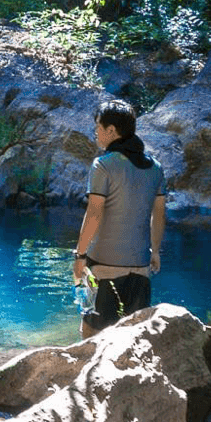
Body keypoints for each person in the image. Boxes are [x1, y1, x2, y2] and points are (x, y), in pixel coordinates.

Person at [73, 99, 166, 338]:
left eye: (98, 127)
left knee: (90, 335)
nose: (95, 133)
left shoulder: (102, 165)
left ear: (111, 130)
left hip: (103, 268)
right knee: (132, 338)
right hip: (141, 268)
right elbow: (159, 214)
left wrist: (80, 255)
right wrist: (155, 251)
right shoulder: (155, 168)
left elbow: (94, 213)